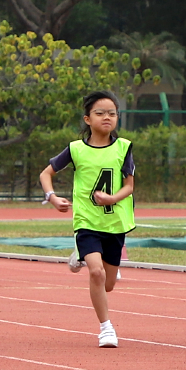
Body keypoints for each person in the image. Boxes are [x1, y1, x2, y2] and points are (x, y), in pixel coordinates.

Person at [38, 91, 137, 348]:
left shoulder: (123, 147)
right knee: (96, 273)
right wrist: (52, 197)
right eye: (100, 113)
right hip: (86, 221)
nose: (107, 117)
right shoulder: (76, 149)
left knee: (108, 284)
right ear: (87, 119)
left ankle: (80, 254)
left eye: (112, 113)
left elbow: (129, 186)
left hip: (114, 222)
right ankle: (106, 329)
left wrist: (112, 198)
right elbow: (46, 174)